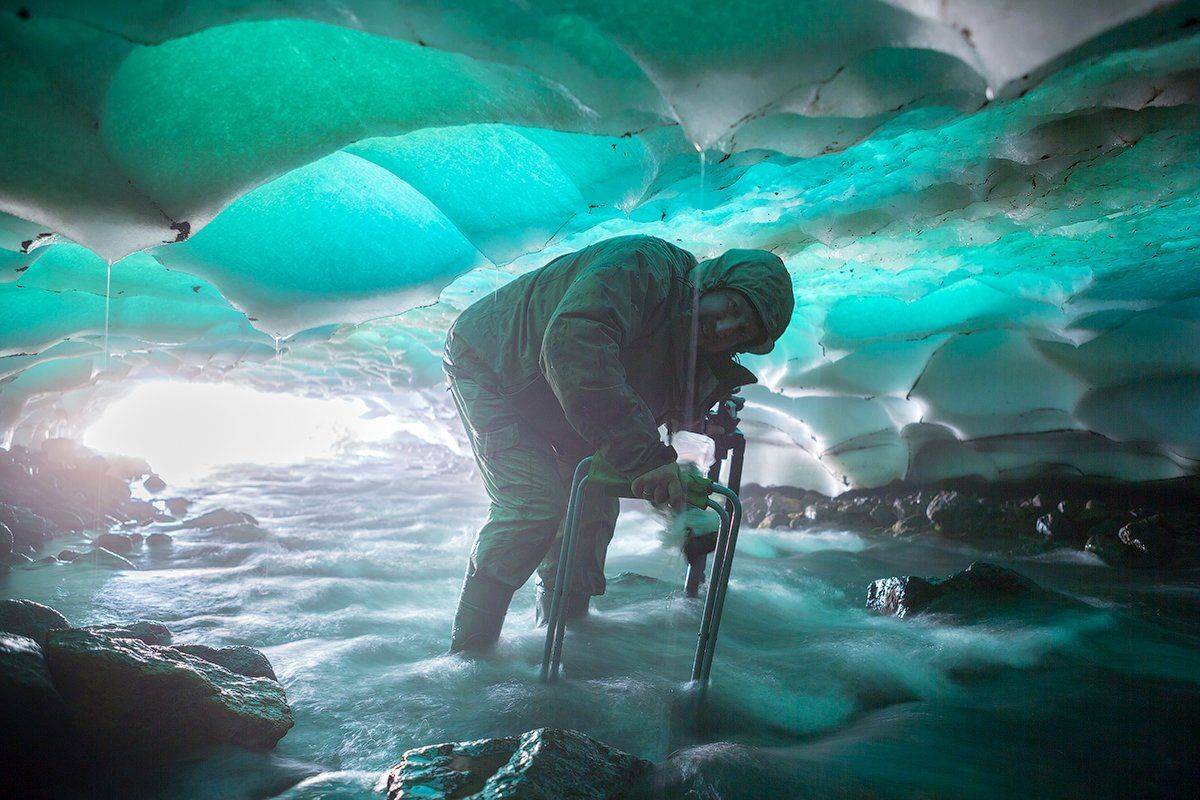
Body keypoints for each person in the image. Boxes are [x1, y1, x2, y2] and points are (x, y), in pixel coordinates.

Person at [442, 234, 794, 652]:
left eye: (743, 331)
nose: (725, 328)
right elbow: (573, 344)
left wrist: (683, 508)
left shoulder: (695, 344)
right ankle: (470, 663)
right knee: (535, 503)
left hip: (562, 396)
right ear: (714, 282)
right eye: (732, 308)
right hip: (494, 361)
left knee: (590, 512)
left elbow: (663, 421)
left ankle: (564, 650)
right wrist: (646, 458)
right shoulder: (643, 266)